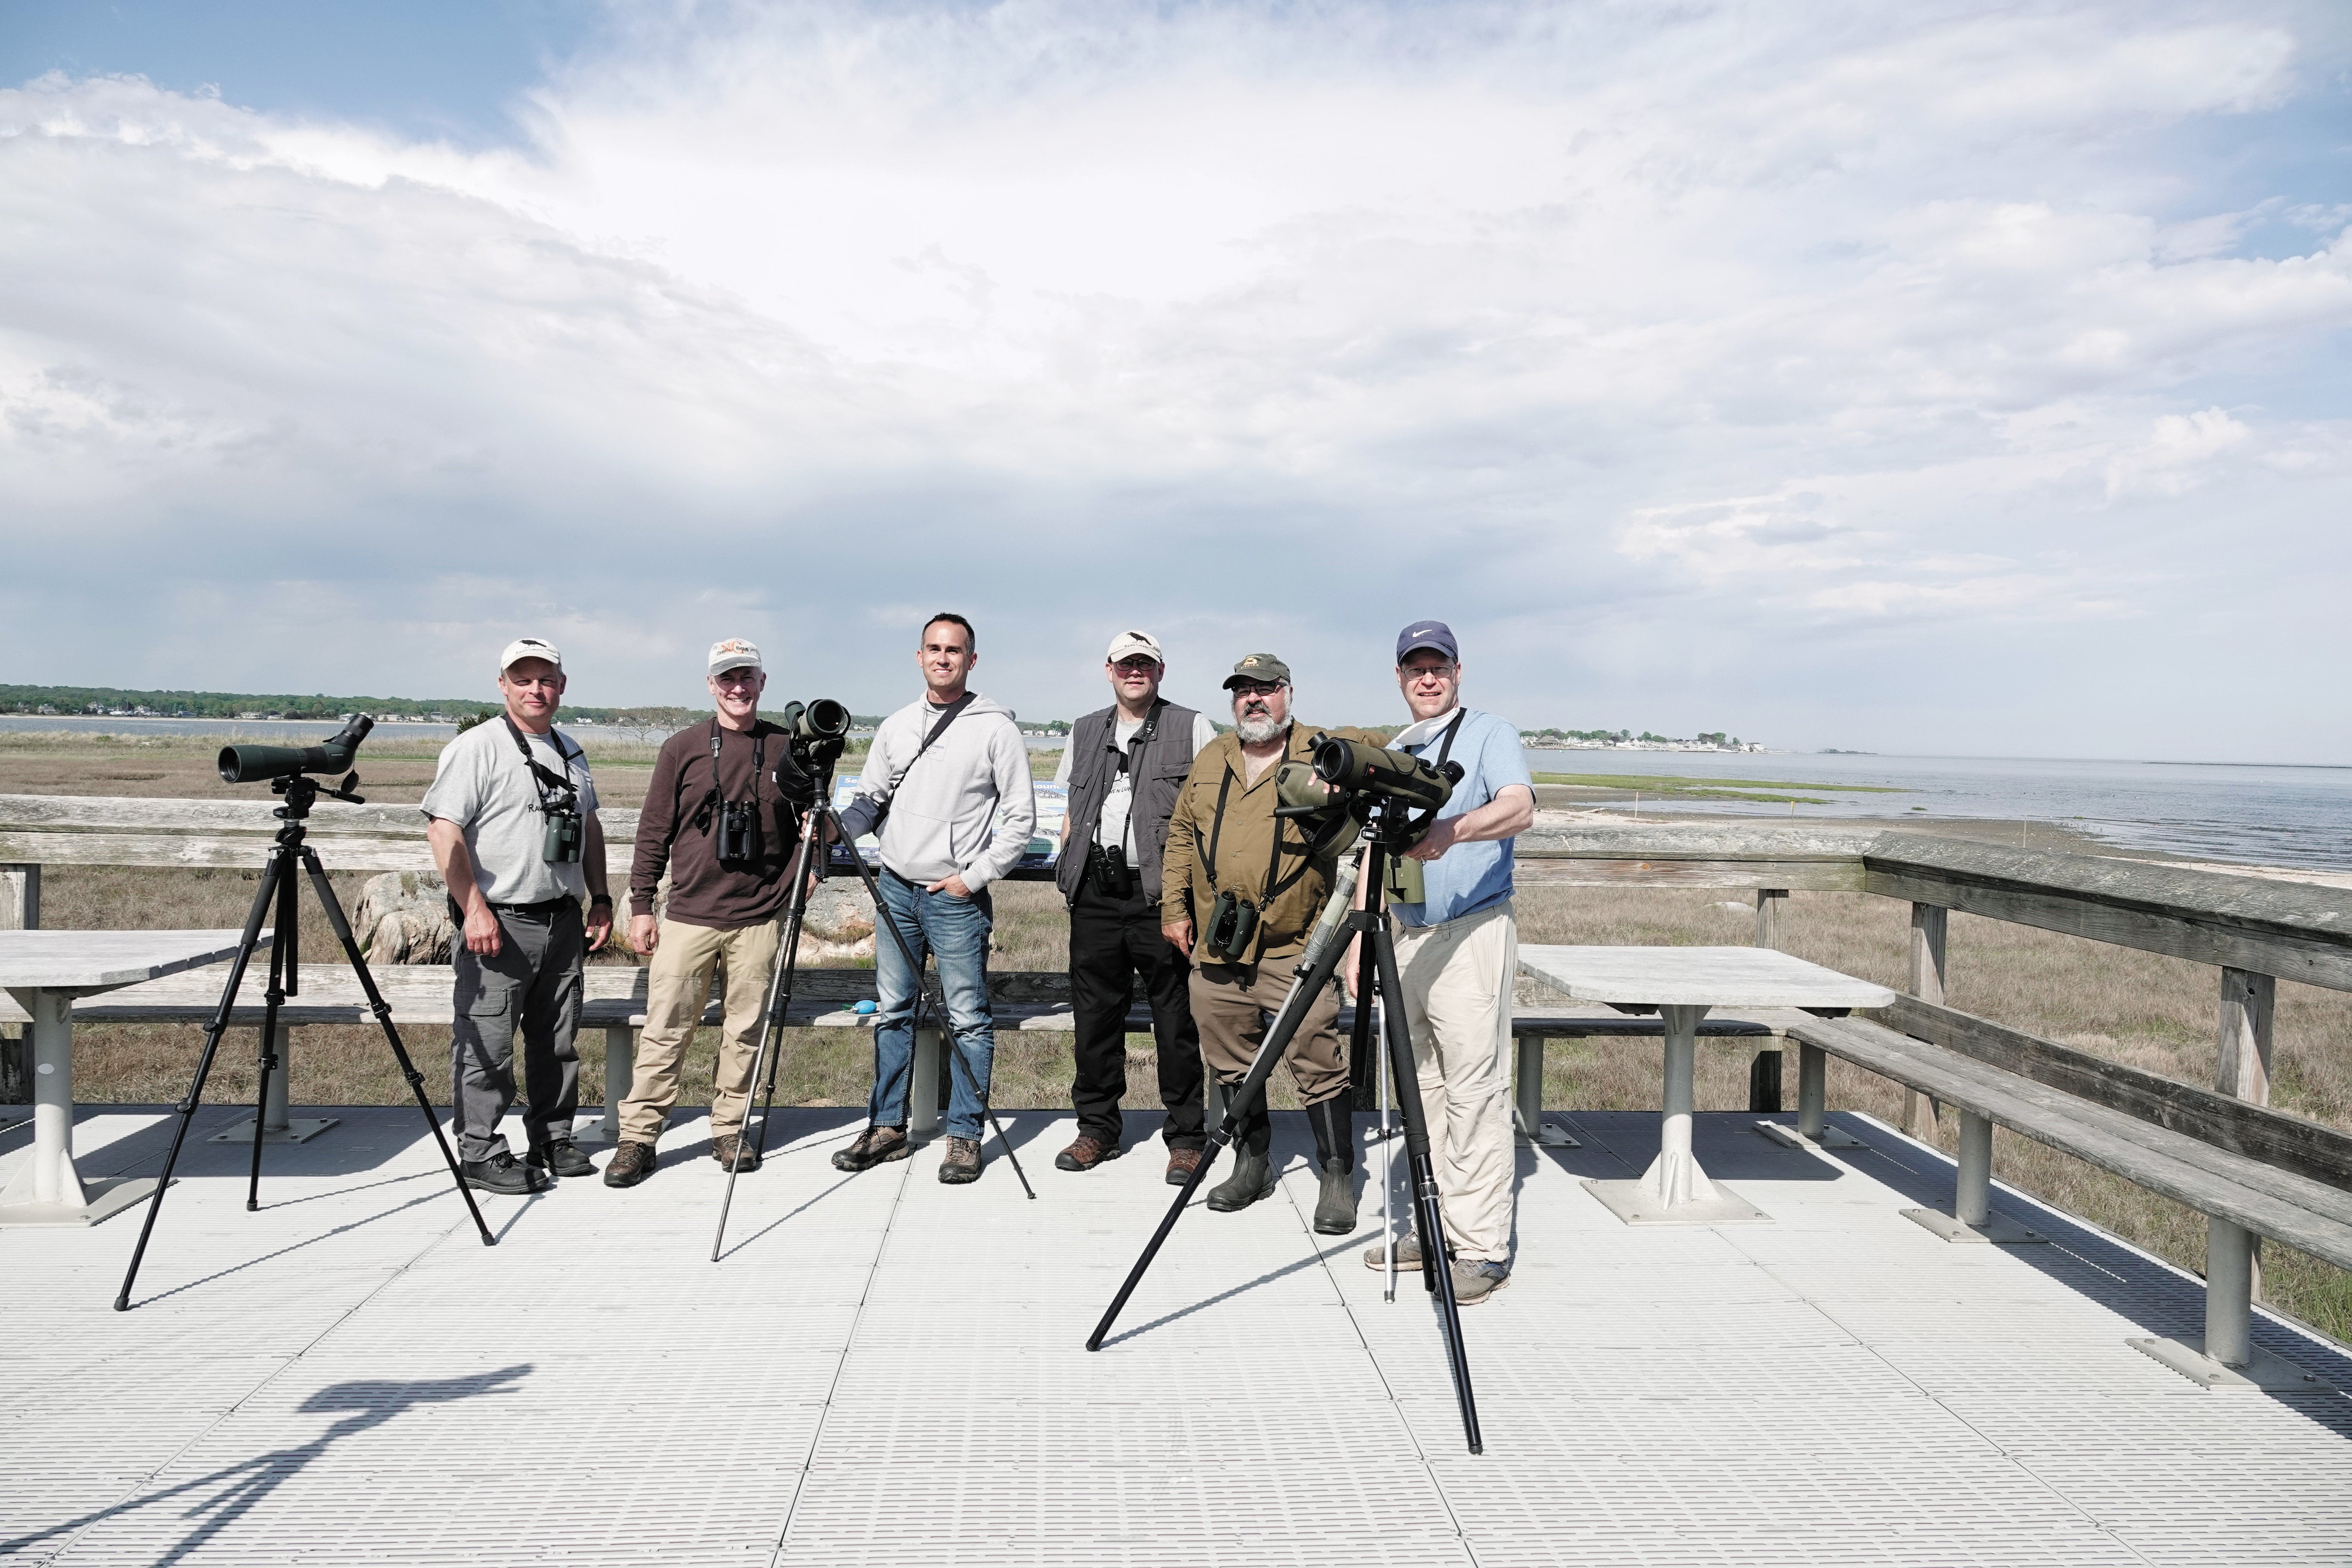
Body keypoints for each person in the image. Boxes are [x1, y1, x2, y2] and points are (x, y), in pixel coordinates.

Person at [1160, 654, 1372, 1229]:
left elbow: (1382, 747)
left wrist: (1355, 761)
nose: (1255, 700)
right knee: (1228, 1061)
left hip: (1293, 949)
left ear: (1289, 694)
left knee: (1318, 1061)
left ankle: (1336, 1175)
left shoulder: (1320, 750)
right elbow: (1181, 835)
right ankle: (1251, 1163)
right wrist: (1175, 907)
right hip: (1218, 947)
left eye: (1267, 690)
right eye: (1244, 692)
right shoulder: (1212, 757)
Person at [1360, 620, 1535, 1305]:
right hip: (1406, 935)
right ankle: (1434, 1228)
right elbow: (1376, 849)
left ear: (1459, 673)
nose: (1426, 679)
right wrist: (1356, 941)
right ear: (1400, 678)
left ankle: (1482, 1249)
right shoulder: (1399, 748)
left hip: (1472, 932)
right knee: (1421, 1090)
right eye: (1414, 669)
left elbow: (1519, 807)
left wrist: (1450, 831)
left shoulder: (1492, 733)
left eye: (1438, 667)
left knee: (1474, 1093)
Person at [829, 613, 1037, 1185]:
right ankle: (887, 1128)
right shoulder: (895, 726)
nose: (944, 658)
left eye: (955, 650)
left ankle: (965, 1137)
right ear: (919, 657)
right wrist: (833, 830)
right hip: (894, 889)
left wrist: (973, 878)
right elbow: (870, 799)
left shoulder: (997, 730)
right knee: (893, 1013)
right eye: (934, 648)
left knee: (968, 1019)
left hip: (954, 899)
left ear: (972, 661)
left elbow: (1021, 820)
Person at [604, 639, 817, 1188]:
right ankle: (639, 1139)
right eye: (728, 679)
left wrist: (812, 863)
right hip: (690, 913)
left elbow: (816, 819)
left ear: (763, 683)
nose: (738, 688)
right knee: (665, 1030)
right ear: (710, 686)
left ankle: (730, 1129)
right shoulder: (683, 748)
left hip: (760, 915)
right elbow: (654, 830)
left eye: (747, 677)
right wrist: (642, 905)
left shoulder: (786, 747)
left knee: (745, 1029)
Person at [423, 636, 614, 1195]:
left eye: (546, 678)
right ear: (503, 684)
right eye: (523, 679)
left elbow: (591, 827)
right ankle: (480, 1151)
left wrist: (599, 898)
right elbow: (443, 829)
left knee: (557, 1041)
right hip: (497, 923)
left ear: (562, 686)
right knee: (489, 1042)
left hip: (562, 918)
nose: (536, 689)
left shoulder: (571, 751)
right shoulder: (476, 748)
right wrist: (473, 909)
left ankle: (553, 1138)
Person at [1052, 631, 1219, 1182]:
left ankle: (1187, 1138)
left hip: (1162, 894)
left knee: (1176, 1018)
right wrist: (1071, 866)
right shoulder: (1084, 730)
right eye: (1126, 664)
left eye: (1145, 664)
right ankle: (1096, 1129)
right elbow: (1070, 812)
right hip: (1096, 896)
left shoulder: (1191, 726)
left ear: (1160, 672)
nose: (1135, 672)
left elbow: (1210, 814)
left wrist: (1189, 898)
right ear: (1109, 670)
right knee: (1095, 1017)